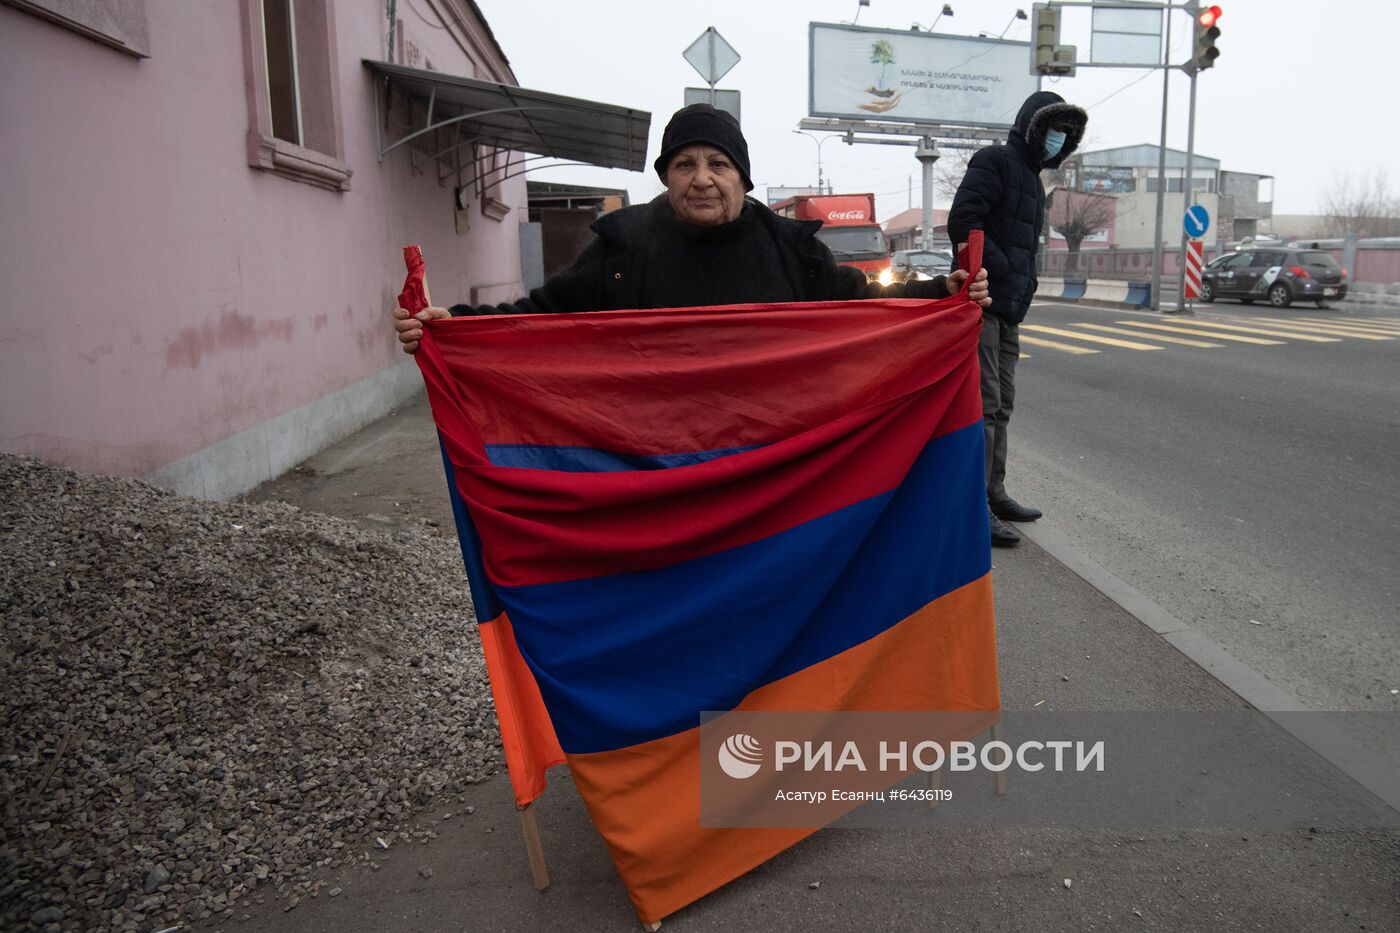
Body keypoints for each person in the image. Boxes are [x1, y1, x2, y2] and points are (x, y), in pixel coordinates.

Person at [394, 103, 988, 352]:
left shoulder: (792, 251)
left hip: (771, 462)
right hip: (658, 467)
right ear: (667, 177)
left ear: (743, 180)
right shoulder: (621, 249)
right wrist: (455, 327)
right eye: (684, 164)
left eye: (718, 164)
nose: (702, 179)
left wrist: (943, 293)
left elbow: (863, 303)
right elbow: (544, 314)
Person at [947, 90, 1086, 547]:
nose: (1057, 140)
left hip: (1010, 311)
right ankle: (974, 507)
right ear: (1032, 126)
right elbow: (965, 218)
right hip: (983, 304)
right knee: (984, 408)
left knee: (1002, 404)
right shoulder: (995, 161)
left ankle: (994, 492)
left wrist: (1025, 287)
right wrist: (1002, 270)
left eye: (1065, 134)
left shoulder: (1033, 180)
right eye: (1052, 130)